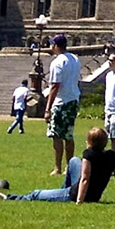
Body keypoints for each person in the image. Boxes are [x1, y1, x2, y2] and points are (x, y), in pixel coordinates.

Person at [0, 126, 115, 203]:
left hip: (75, 194)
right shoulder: (113, 156)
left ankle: (7, 198)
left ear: (89, 142)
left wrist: (79, 201)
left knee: (36, 194)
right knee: (74, 161)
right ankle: (62, 189)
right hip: (95, 195)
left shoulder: (89, 155)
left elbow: (85, 179)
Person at [41, 34, 83, 177]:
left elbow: (55, 86)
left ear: (55, 46)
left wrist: (47, 108)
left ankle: (58, 167)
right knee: (69, 135)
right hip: (73, 99)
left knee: (57, 135)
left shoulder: (57, 62)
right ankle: (69, 167)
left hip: (61, 101)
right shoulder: (75, 59)